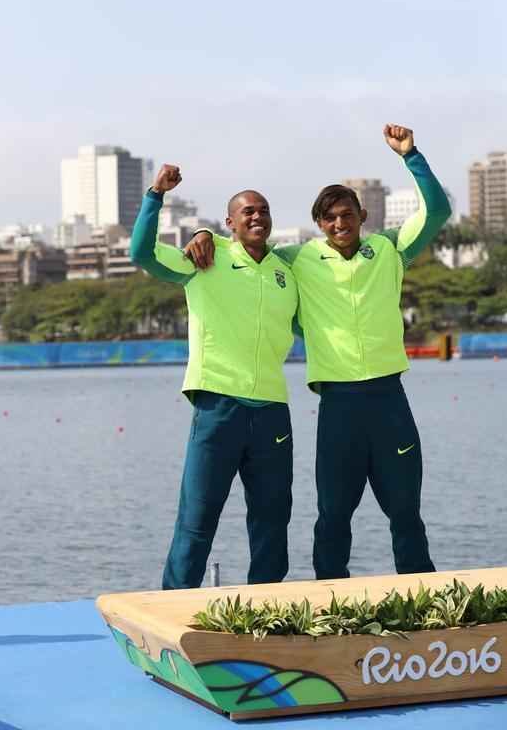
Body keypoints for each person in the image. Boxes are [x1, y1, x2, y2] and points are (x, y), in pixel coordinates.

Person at [185, 125, 452, 579]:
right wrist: (204, 229)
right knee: (333, 515)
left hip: (390, 400)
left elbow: (438, 211)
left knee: (406, 511)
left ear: (362, 215)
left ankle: (422, 593)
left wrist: (411, 156)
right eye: (329, 219)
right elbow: (250, 246)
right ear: (319, 224)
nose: (339, 225)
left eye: (347, 215)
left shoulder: (390, 250)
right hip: (339, 405)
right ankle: (329, 599)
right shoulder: (299, 259)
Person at [130, 165, 298, 589]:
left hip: (273, 411)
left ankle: (267, 608)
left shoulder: (287, 271)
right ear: (230, 223)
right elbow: (142, 254)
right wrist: (155, 196)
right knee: (198, 518)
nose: (257, 217)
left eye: (263, 210)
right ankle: (174, 608)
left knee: (272, 522)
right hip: (218, 406)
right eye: (247, 212)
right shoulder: (205, 259)